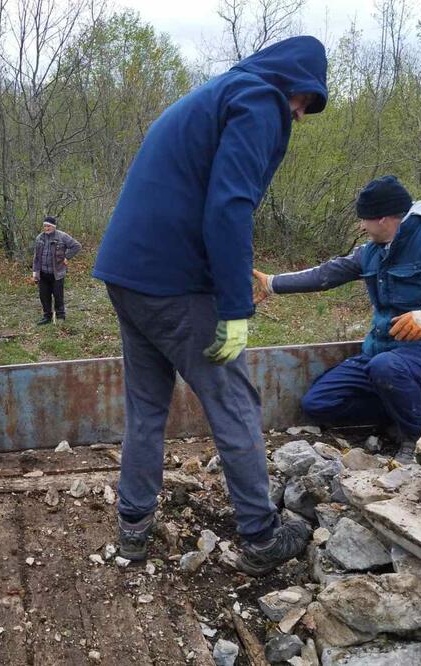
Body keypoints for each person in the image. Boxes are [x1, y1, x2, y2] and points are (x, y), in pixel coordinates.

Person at [92, 36, 329, 574]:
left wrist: (225, 271)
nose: (299, 113)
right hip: (175, 285)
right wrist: (235, 308)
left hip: (128, 274)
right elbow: (230, 206)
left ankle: (133, 531)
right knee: (235, 404)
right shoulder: (259, 101)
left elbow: (193, 193)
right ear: (287, 79)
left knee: (147, 408)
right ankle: (261, 535)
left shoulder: (215, 94)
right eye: (302, 100)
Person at [254, 175, 421, 463]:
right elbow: (326, 275)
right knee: (319, 403)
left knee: (388, 368)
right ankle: (409, 409)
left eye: (364, 220)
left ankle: (416, 439)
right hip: (382, 354)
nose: (361, 226)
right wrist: (273, 283)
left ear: (383, 218)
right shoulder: (372, 252)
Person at [32, 215, 82, 325]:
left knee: (58, 295)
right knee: (44, 296)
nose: (46, 228)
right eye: (45, 226)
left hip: (57, 273)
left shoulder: (62, 236)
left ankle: (60, 316)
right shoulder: (39, 238)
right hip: (43, 273)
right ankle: (47, 317)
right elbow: (36, 257)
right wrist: (35, 272)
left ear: (54, 226)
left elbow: (77, 246)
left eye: (49, 226)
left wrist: (67, 257)